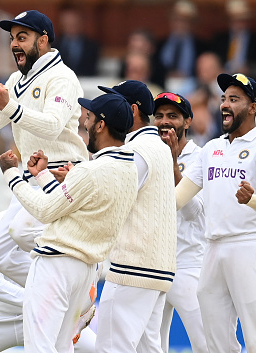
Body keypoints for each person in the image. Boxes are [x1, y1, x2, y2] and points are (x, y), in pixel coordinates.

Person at [0, 9, 88, 289]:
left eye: (22, 37)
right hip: (30, 177)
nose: (13, 45)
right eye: (12, 38)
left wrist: (10, 106)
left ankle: (74, 288)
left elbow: (53, 126)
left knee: (22, 231)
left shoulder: (63, 77)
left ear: (43, 40)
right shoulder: (16, 80)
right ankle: (61, 292)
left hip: (61, 176)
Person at [0, 93, 138, 352]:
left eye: (90, 117)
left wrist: (12, 174)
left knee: (40, 347)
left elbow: (44, 210)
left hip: (56, 266)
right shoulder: (130, 170)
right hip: (84, 272)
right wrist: (42, 177)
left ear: (101, 125)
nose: (85, 122)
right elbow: (71, 205)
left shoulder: (90, 170)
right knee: (62, 347)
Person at [175, 73, 256, 353]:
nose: (224, 104)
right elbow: (175, 199)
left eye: (234, 99)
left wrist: (252, 198)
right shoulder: (212, 148)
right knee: (216, 341)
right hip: (211, 249)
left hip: (249, 245)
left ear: (253, 107)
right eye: (223, 98)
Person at [95, 80, 177, 353]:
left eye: (115, 102)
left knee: (111, 348)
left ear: (131, 109)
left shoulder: (136, 150)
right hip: (157, 268)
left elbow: (111, 198)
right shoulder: (159, 147)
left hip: (133, 267)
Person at [0, 211, 98, 353]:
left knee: (96, 349)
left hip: (45, 314)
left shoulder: (63, 228)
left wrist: (79, 312)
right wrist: (43, 302)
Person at [152, 92, 208, 353]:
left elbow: (194, 213)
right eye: (160, 116)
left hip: (189, 266)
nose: (165, 122)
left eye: (172, 116)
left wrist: (174, 165)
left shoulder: (202, 158)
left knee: (207, 345)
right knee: (151, 347)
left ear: (187, 122)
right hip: (154, 265)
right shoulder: (149, 156)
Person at [52, 6, 100, 77]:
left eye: (74, 22)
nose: (71, 26)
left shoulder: (92, 46)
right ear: (61, 24)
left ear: (80, 22)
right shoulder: (53, 46)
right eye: (67, 23)